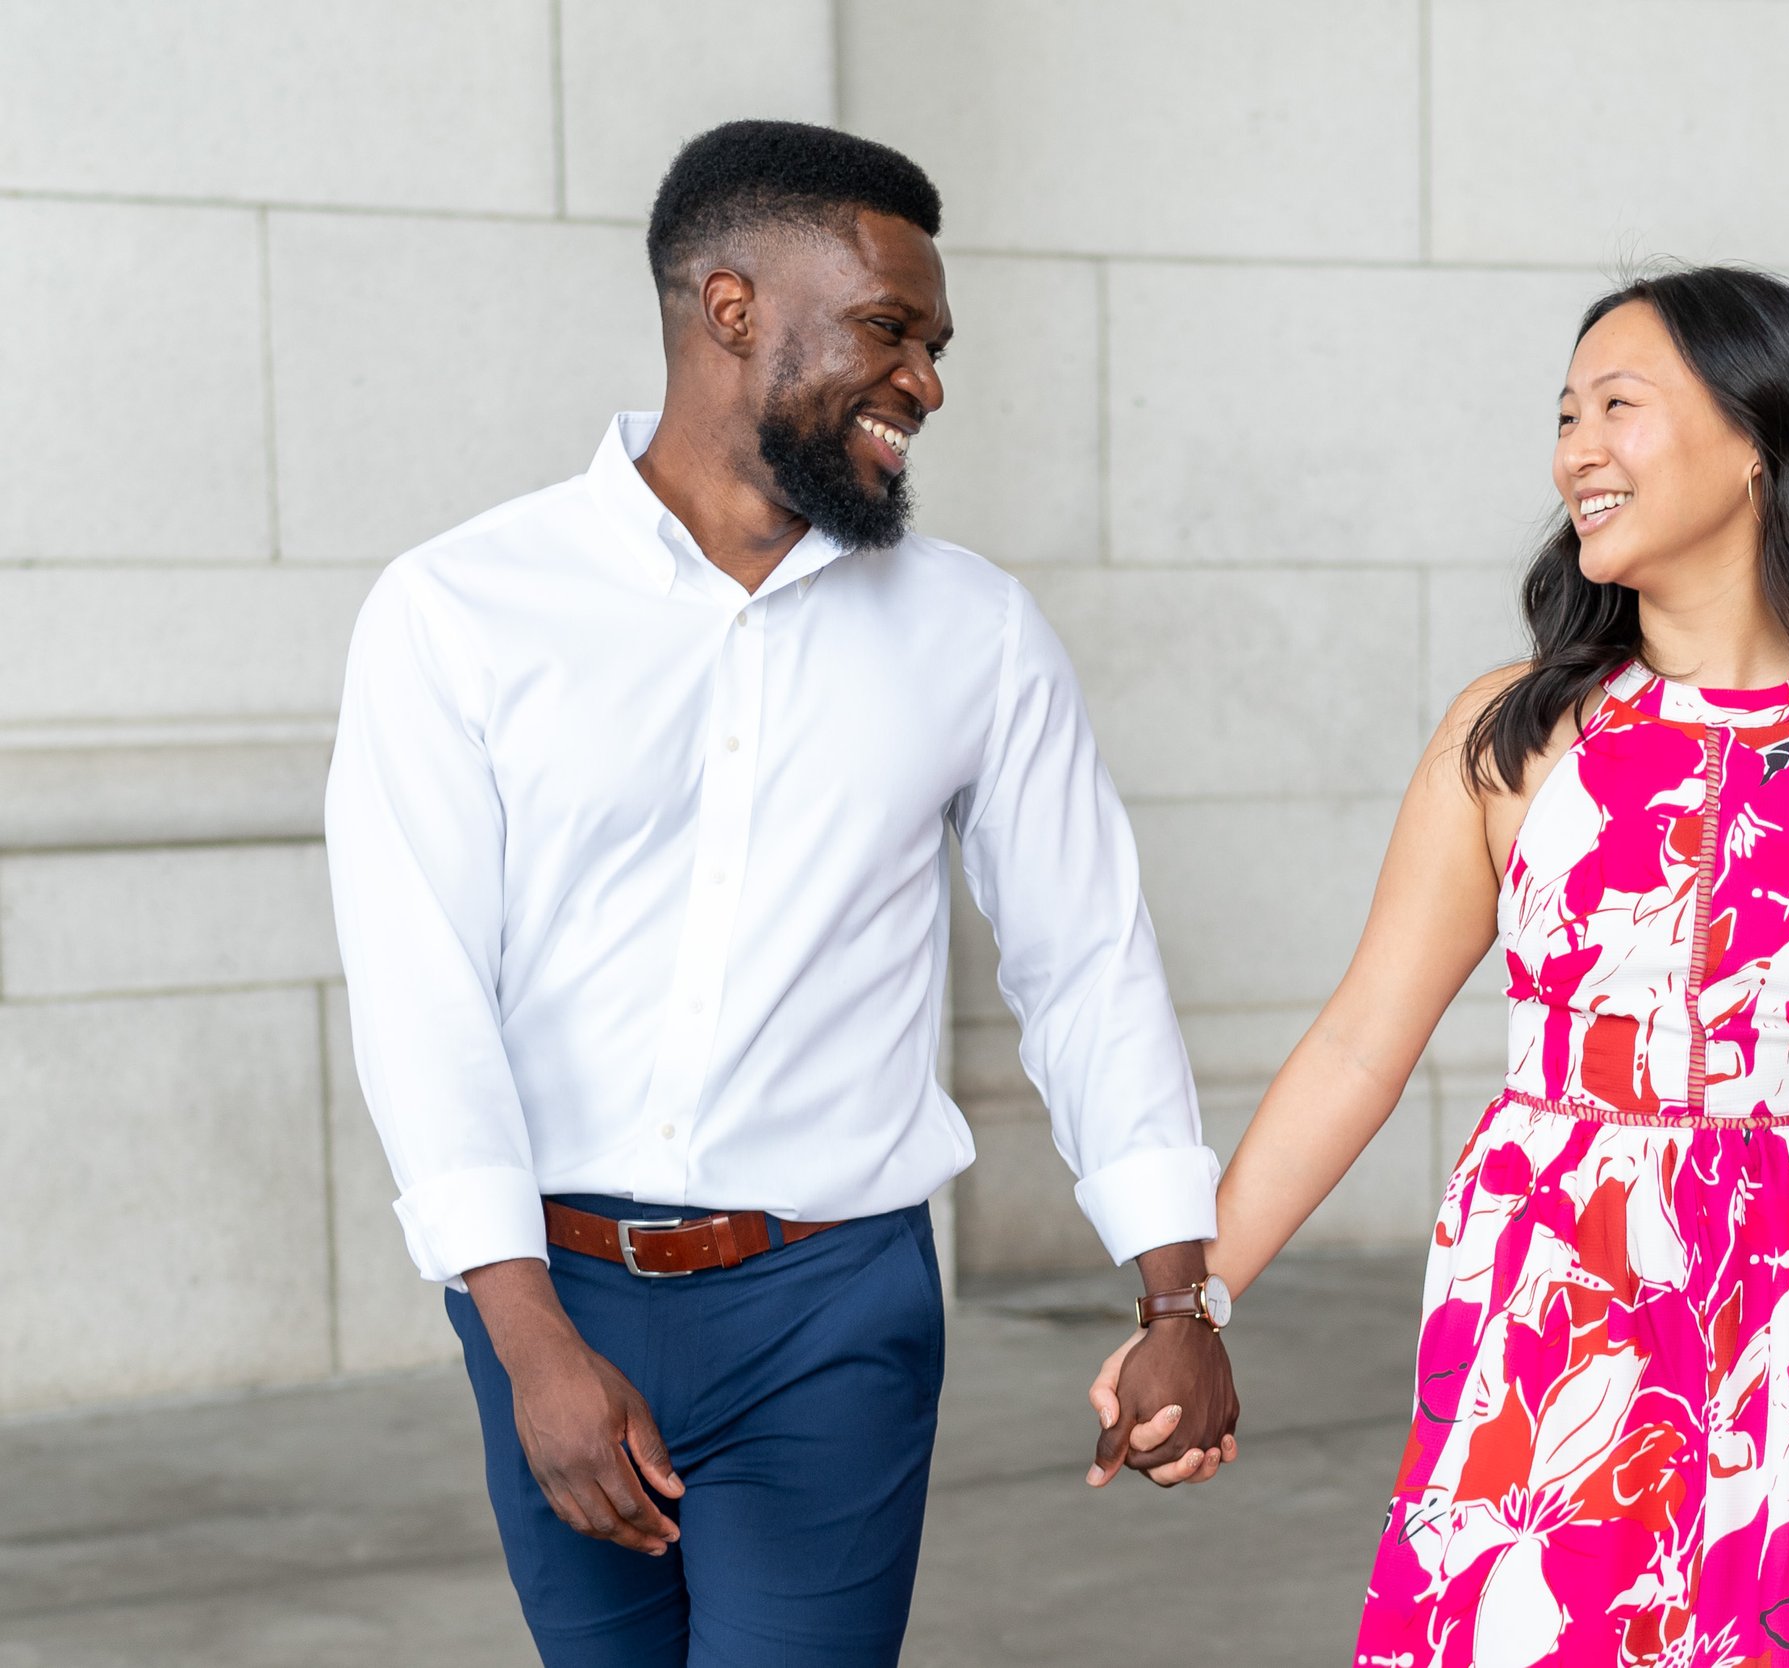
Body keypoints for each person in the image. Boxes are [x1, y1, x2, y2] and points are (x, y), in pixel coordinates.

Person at [326, 120, 1236, 1668]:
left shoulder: (977, 632)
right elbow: (421, 991)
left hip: (837, 1301)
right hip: (551, 1294)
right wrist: (523, 1333)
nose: (928, 382)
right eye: (891, 329)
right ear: (730, 307)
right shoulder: (457, 610)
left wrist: (1180, 1295)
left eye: (937, 345)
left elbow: (1085, 958)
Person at [1093, 267, 1789, 1663]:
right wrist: (1192, 1302)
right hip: (1554, 1293)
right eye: (1567, 414)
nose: (1577, 448)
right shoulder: (1507, 735)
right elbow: (1359, 1044)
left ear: (1758, 439)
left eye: (1619, 407)